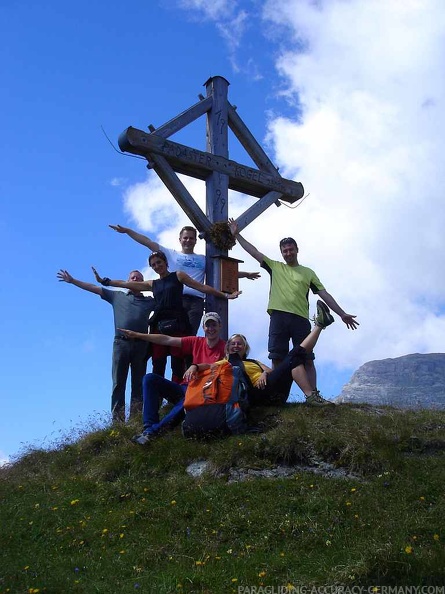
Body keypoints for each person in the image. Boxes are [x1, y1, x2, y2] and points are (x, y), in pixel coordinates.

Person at [228, 218, 359, 394]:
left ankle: (313, 395)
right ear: (281, 253)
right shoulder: (275, 266)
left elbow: (324, 294)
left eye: (291, 250)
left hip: (300, 319)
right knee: (277, 358)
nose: (288, 253)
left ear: (297, 250)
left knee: (306, 359)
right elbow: (254, 252)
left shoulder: (308, 272)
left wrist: (342, 314)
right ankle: (278, 395)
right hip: (278, 317)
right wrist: (237, 235)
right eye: (284, 251)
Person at [181, 300, 336, 439]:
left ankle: (311, 396)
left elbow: (270, 371)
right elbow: (207, 367)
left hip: (270, 389)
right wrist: (194, 366)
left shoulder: (254, 362)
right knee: (293, 357)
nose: (236, 345)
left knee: (293, 358)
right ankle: (320, 325)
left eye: (239, 344)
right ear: (227, 348)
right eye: (233, 344)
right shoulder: (223, 363)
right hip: (254, 395)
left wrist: (263, 373)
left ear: (245, 348)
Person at [92, 256, 240, 383]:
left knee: (177, 362)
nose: (157, 266)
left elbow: (201, 287)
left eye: (159, 262)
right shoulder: (152, 284)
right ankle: (157, 398)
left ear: (165, 262)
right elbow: (126, 284)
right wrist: (105, 281)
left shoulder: (178, 275)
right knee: (158, 362)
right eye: (154, 264)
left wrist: (224, 295)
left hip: (178, 323)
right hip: (159, 324)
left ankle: (177, 394)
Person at [109, 224, 260, 335]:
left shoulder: (203, 259)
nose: (188, 240)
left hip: (196, 302)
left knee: (189, 337)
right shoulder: (170, 253)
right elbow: (147, 241)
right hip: (175, 300)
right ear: (180, 239)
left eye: (191, 238)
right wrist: (128, 231)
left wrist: (245, 274)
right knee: (170, 334)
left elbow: (220, 273)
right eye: (185, 238)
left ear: (195, 241)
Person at [56, 268, 155, 422]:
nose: (135, 280)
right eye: (132, 277)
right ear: (127, 282)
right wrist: (73, 281)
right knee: (118, 383)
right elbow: (93, 288)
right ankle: (118, 422)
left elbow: (167, 299)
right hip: (121, 344)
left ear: (143, 282)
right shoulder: (117, 296)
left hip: (140, 345)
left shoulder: (150, 301)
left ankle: (136, 420)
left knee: (138, 384)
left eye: (138, 278)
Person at [117, 312, 226, 444]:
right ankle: (148, 427)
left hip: (201, 392)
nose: (211, 328)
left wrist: (196, 366)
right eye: (207, 325)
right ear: (203, 328)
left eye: (214, 324)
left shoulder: (225, 348)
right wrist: (138, 335)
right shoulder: (196, 341)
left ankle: (153, 433)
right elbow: (167, 340)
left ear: (220, 326)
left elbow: (224, 366)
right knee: (150, 379)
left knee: (187, 400)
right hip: (185, 387)